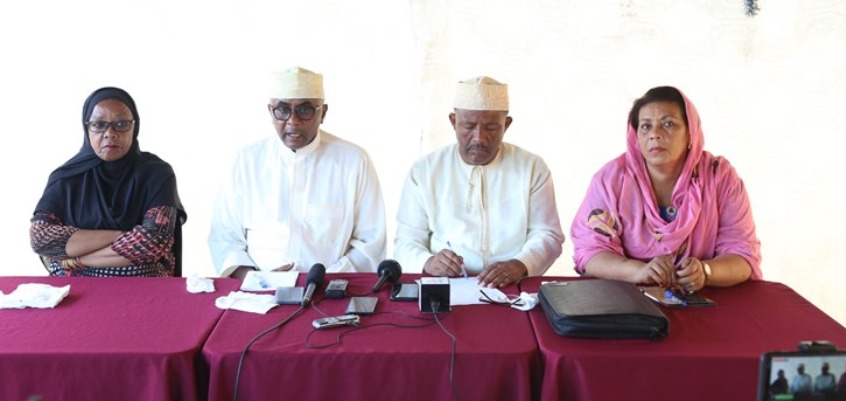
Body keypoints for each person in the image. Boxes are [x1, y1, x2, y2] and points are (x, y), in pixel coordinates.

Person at [570, 86, 761, 292]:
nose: (654, 134)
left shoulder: (719, 177)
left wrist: (706, 271)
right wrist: (638, 272)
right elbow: (589, 253)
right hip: (628, 297)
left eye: (668, 124)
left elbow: (743, 255)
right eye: (645, 126)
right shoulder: (611, 180)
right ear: (635, 136)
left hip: (707, 297)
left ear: (691, 133)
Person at [209, 67, 386, 278]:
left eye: (305, 110)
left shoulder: (354, 161)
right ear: (270, 112)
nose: (293, 121)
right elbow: (225, 238)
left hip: (332, 289)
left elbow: (370, 242)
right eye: (283, 110)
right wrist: (257, 279)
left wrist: (324, 280)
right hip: (256, 290)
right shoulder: (245, 162)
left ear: (323, 113)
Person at [394, 76, 564, 288]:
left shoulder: (532, 168)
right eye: (469, 126)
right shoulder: (425, 171)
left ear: (506, 125)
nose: (478, 138)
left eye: (491, 128)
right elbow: (406, 240)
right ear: (453, 122)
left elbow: (547, 234)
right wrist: (428, 262)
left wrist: (521, 264)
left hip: (513, 285)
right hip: (445, 286)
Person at [30, 87, 186, 277]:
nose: (110, 133)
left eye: (121, 124)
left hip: (144, 285)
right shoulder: (66, 178)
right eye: (99, 124)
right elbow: (41, 239)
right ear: (86, 128)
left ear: (135, 126)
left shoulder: (156, 173)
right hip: (76, 287)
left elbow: (155, 242)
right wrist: (125, 235)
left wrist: (75, 260)